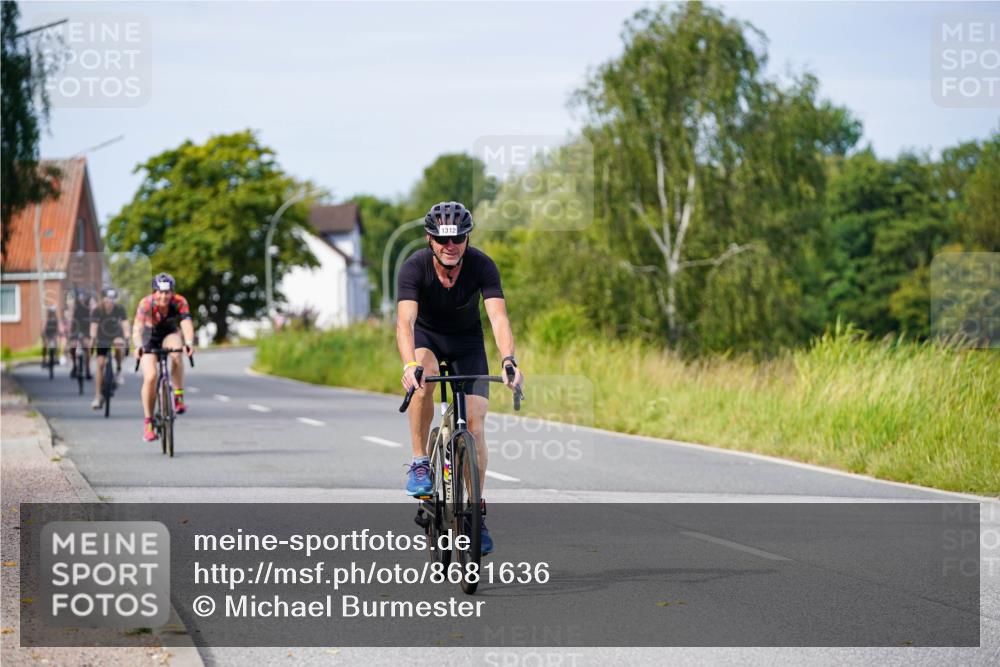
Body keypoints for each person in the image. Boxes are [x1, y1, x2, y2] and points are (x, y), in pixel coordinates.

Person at [397, 201, 524, 555]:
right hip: (428, 340)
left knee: (476, 424)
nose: (449, 247)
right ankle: (421, 461)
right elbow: (405, 322)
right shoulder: (414, 267)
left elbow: (498, 317)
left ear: (467, 239)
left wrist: (508, 359)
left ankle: (475, 514)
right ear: (430, 238)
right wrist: (409, 364)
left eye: (458, 240)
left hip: (468, 343)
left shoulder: (482, 265)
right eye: (441, 240)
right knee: (424, 378)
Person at [132, 273, 195, 442]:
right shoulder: (146, 303)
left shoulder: (179, 301)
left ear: (172, 292)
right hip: (149, 337)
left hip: (169, 333)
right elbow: (137, 328)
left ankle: (178, 395)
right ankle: (148, 422)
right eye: (160, 292)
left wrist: (188, 342)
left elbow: (186, 323)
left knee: (176, 352)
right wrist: (138, 346)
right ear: (155, 292)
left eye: (167, 293)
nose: (164, 296)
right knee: (151, 376)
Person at [89, 288, 130, 410]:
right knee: (100, 364)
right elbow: (93, 328)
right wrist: (93, 339)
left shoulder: (120, 309)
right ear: (102, 300)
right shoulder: (97, 310)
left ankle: (118, 369)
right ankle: (97, 396)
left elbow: (125, 324)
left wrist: (127, 337)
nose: (109, 303)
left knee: (119, 344)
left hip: (116, 335)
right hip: (102, 337)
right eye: (107, 300)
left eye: (112, 300)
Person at [67, 288, 93, 380]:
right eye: (80, 298)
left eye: (83, 298)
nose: (82, 300)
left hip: (86, 325)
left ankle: (88, 369)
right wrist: (69, 332)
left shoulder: (90, 302)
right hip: (76, 325)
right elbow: (70, 316)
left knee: (88, 346)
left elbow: (93, 313)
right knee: (73, 346)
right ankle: (74, 366)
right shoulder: (74, 303)